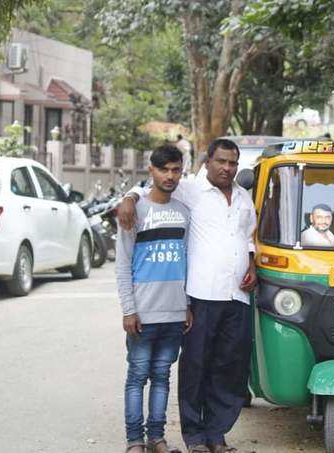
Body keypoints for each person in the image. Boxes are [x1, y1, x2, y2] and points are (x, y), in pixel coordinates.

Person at [119, 138, 257, 453]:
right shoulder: (189, 188)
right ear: (207, 161)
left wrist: (252, 263)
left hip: (237, 296)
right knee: (196, 367)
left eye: (232, 163)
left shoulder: (243, 197)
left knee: (230, 367)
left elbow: (248, 236)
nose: (227, 168)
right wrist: (129, 197)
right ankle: (195, 438)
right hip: (201, 294)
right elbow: (153, 188)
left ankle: (217, 434)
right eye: (221, 161)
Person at [116, 145, 193, 453]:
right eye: (164, 170)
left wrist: (186, 305)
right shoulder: (133, 212)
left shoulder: (184, 212)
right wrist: (128, 310)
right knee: (137, 377)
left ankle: (156, 438)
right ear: (151, 171)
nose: (170, 176)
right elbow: (123, 264)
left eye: (176, 170)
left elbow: (186, 260)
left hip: (174, 314)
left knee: (162, 377)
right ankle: (135, 440)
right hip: (143, 314)